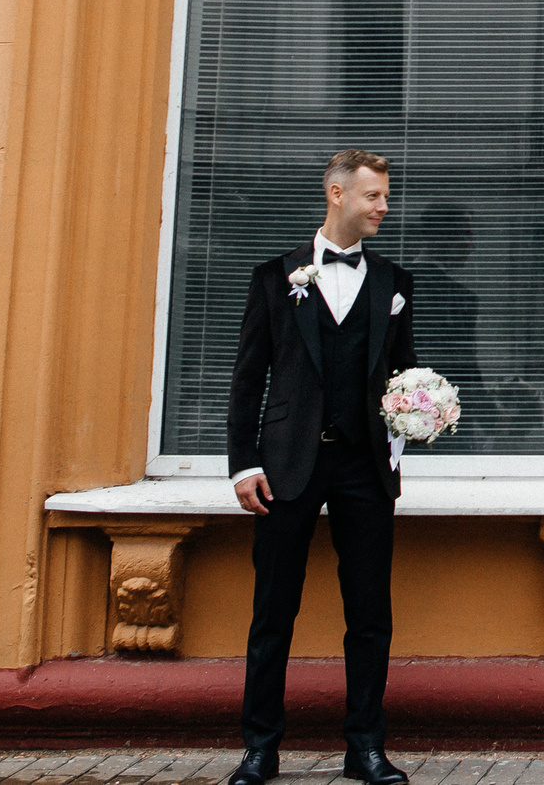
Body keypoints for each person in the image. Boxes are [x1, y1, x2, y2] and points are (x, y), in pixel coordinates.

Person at [223, 149, 420, 785]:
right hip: (285, 468)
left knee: (369, 615)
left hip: (364, 469)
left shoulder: (394, 283)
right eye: (374, 197)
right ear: (337, 194)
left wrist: (410, 430)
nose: (384, 207)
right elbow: (247, 382)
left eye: (385, 196)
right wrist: (242, 465)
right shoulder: (275, 278)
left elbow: (402, 379)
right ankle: (260, 748)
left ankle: (365, 747)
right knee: (272, 612)